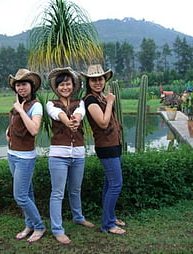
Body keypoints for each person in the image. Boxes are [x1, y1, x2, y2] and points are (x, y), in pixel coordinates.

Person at [47, 67, 95, 244]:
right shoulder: (51, 103)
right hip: (58, 156)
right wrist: (68, 122)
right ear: (56, 88)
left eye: (68, 84)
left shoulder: (80, 103)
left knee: (75, 189)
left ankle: (78, 217)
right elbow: (56, 114)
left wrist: (75, 119)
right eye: (61, 85)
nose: (65, 87)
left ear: (73, 86)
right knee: (57, 193)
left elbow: (80, 113)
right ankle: (57, 229)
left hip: (78, 154)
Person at [82, 64, 127, 235]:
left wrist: (107, 101)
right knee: (116, 184)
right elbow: (102, 122)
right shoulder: (90, 100)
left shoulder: (101, 97)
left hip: (114, 144)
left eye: (100, 78)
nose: (97, 82)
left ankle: (111, 217)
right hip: (105, 147)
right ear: (88, 81)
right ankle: (107, 224)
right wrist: (110, 102)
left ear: (105, 79)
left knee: (110, 184)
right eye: (93, 79)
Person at [6, 69, 46, 243]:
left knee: (20, 195)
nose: (21, 87)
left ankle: (39, 226)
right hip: (12, 154)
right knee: (27, 193)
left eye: (24, 84)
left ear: (31, 86)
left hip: (25, 157)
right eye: (18, 84)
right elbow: (15, 125)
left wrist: (21, 111)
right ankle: (29, 224)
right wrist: (8, 131)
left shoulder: (35, 105)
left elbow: (34, 129)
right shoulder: (17, 104)